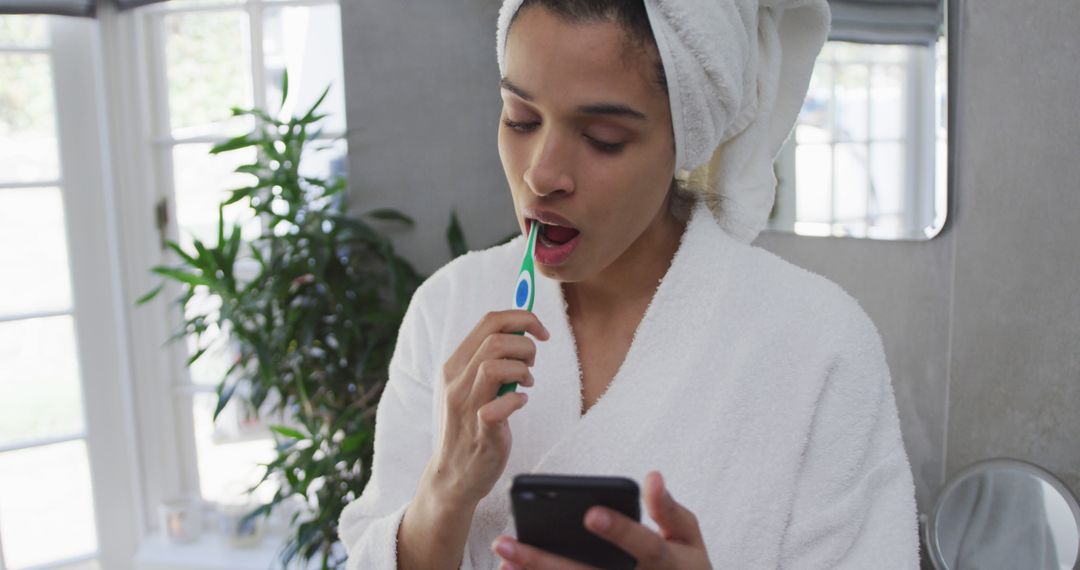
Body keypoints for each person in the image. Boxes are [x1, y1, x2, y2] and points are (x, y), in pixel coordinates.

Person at [339, 0, 920, 568]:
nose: (541, 174)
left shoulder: (820, 343)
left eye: (603, 138)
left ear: (685, 138)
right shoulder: (449, 306)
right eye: (521, 119)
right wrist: (445, 489)